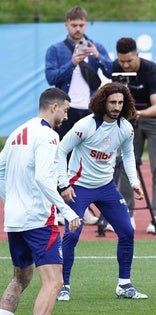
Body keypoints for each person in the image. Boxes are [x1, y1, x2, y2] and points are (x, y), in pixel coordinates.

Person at [0, 88, 81, 315]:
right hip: (38, 220)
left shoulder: (16, 133)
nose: (66, 116)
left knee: (20, 277)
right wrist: (67, 211)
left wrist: (11, 199)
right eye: (66, 110)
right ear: (54, 107)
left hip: (13, 219)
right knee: (54, 281)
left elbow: (0, 171)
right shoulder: (48, 135)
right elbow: (45, 180)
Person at [55, 82, 147, 301]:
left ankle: (124, 285)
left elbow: (127, 155)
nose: (116, 107)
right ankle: (62, 285)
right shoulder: (85, 125)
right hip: (79, 187)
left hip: (106, 188)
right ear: (103, 102)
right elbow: (61, 150)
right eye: (112, 102)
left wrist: (134, 182)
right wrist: (64, 184)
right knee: (71, 234)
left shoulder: (125, 128)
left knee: (127, 231)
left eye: (120, 103)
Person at [45, 5, 113, 225]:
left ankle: (81, 207)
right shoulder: (56, 49)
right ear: (66, 25)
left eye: (81, 24)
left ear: (86, 24)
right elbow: (51, 77)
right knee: (61, 158)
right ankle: (58, 209)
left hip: (90, 111)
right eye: (73, 25)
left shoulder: (96, 46)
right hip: (64, 112)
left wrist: (98, 56)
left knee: (88, 158)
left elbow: (111, 71)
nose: (77, 29)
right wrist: (72, 62)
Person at [112, 37, 156, 234]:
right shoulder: (116, 68)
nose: (126, 65)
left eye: (129, 60)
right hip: (130, 121)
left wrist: (135, 113)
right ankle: (127, 215)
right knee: (125, 165)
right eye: (122, 61)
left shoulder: (151, 70)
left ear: (137, 54)